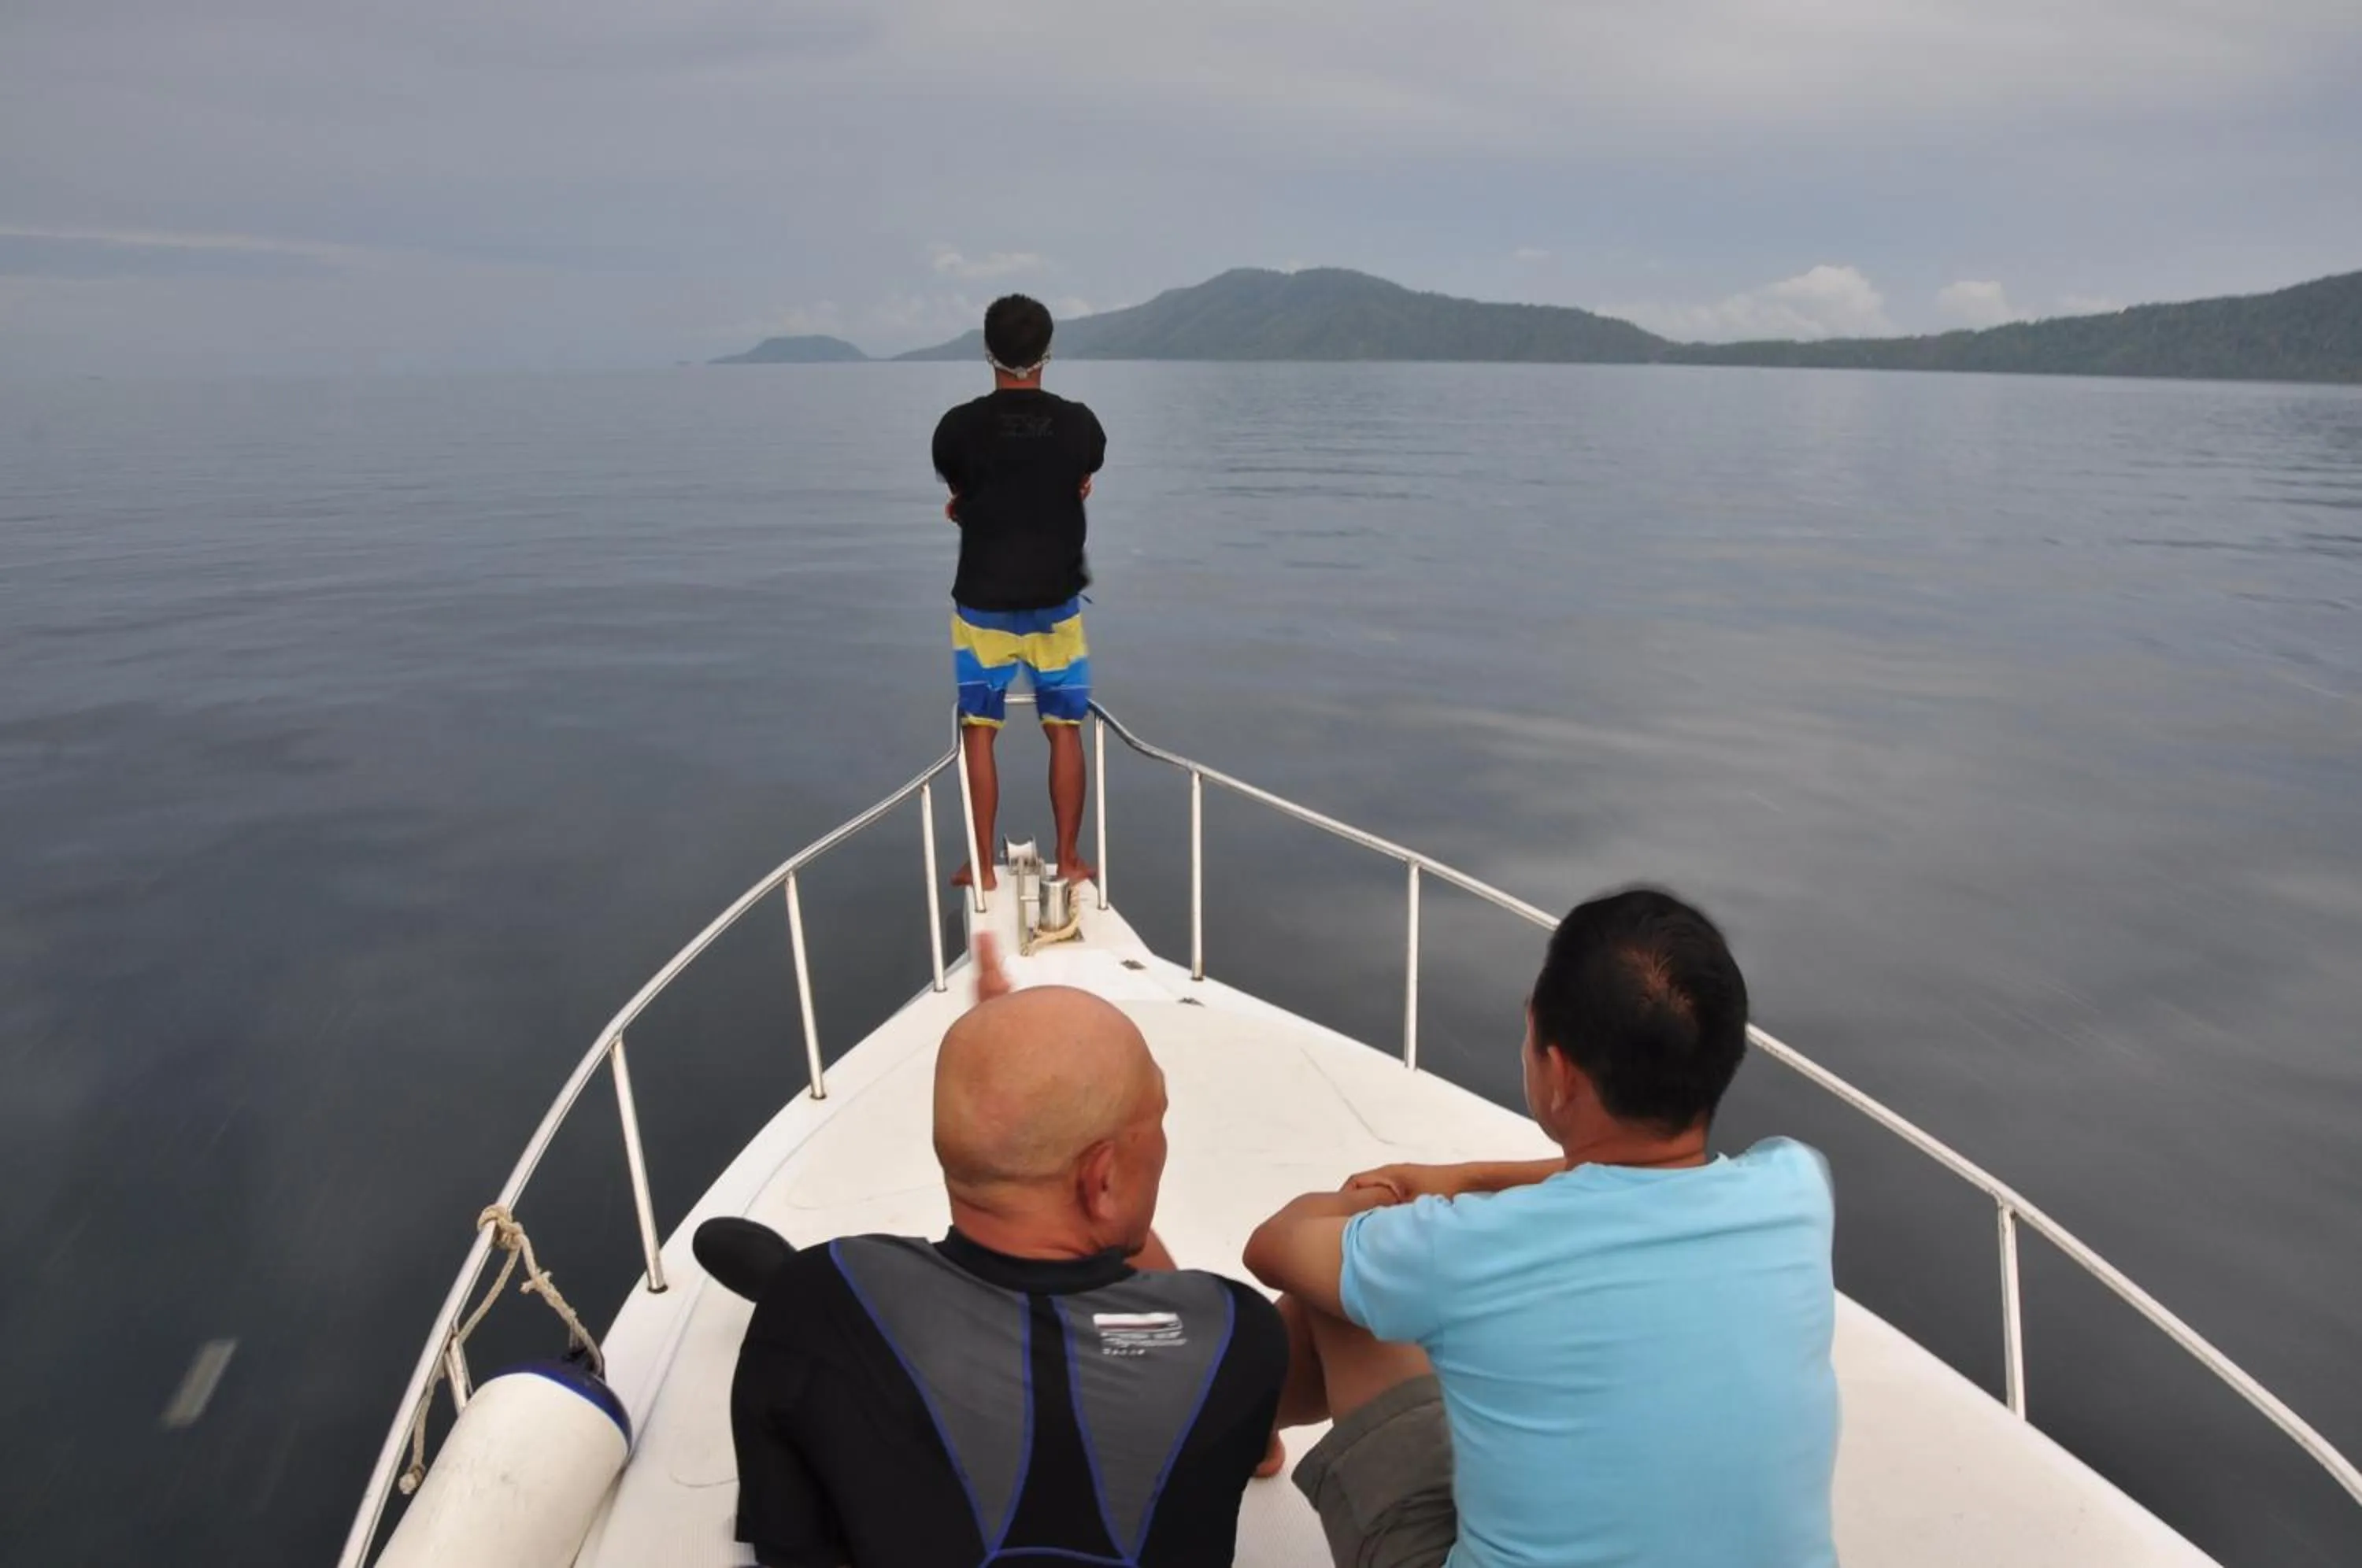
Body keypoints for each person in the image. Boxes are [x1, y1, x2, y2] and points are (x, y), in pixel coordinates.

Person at [1242, 888, 1839, 1568]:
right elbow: (1641, 1184)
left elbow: (1274, 1245)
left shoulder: (1472, 1247)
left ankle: (1241, 1436)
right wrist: (1462, 1178)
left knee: (1341, 1298)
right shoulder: (1798, 1188)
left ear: (1558, 1074)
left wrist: (1386, 1202)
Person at [731, 937, 1287, 1567]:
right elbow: (1264, 1457)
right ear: (1101, 1180)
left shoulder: (812, 1298)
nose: (1161, 1144)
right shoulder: (1239, 1335)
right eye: (1156, 1118)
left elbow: (787, 1547)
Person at [932, 294, 1107, 891]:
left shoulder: (957, 427)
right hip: (1056, 605)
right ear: (1047, 353)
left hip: (981, 604)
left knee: (979, 731)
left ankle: (981, 867)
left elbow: (963, 486)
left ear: (988, 351)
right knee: (1064, 730)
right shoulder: (1080, 423)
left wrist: (969, 507)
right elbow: (1083, 474)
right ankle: (1069, 859)